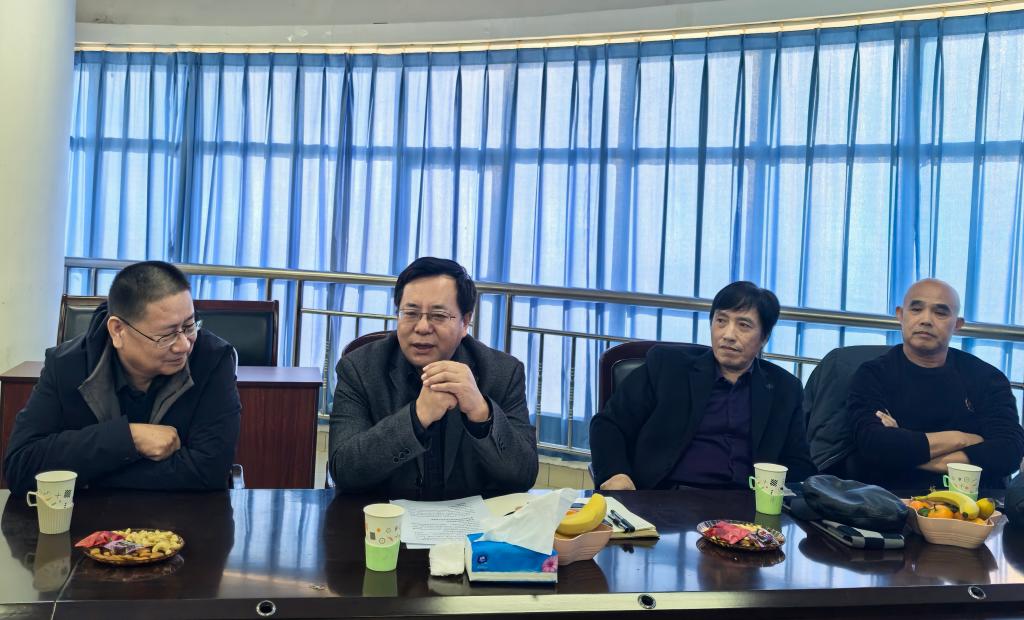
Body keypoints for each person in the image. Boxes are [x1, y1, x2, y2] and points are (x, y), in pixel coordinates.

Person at [4, 261, 241, 496]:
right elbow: (21, 466)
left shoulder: (213, 359)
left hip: (182, 516)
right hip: (86, 518)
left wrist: (88, 475)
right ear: (118, 330)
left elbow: (209, 472)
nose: (183, 345)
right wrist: (128, 438)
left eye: (189, 326)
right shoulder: (66, 365)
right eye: (167, 335)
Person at [329, 257, 538, 500]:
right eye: (410, 313)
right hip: (385, 517)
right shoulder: (359, 369)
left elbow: (523, 475)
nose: (422, 327)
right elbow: (344, 471)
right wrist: (417, 417)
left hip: (473, 521)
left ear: (465, 322)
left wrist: (482, 413)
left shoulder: (503, 372)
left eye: (438, 315)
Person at [590, 281, 816, 491]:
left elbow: (798, 464)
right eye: (721, 321)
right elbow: (609, 424)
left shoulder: (785, 389)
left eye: (743, 325)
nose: (728, 335)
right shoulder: (668, 368)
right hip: (666, 499)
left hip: (748, 508)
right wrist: (616, 474)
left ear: (764, 337)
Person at [847, 278, 1024, 491]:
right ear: (900, 315)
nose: (926, 320)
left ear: (957, 324)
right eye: (916, 309)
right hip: (889, 499)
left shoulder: (987, 378)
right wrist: (961, 439)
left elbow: (1008, 452)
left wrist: (903, 450)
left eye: (940, 313)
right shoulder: (873, 374)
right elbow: (873, 444)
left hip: (972, 502)